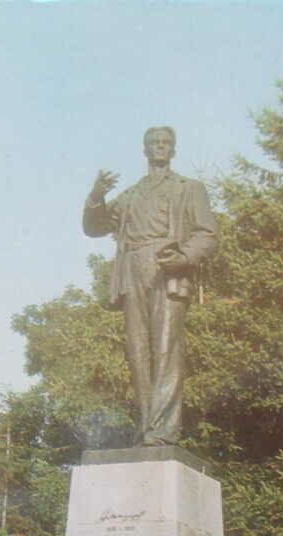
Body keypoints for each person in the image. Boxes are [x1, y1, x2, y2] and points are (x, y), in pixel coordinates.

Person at [82, 126, 218, 446]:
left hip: (167, 268)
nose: (160, 147)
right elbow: (95, 227)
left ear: (173, 149)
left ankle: (164, 430)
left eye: (165, 143)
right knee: (137, 351)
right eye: (154, 143)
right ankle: (147, 427)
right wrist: (96, 196)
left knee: (165, 347)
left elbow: (208, 234)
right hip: (132, 269)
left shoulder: (189, 188)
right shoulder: (131, 194)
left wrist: (183, 257)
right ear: (145, 150)